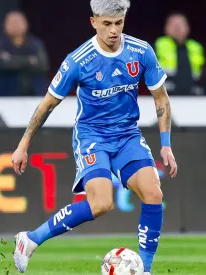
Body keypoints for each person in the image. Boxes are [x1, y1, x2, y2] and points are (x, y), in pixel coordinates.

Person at [10, 0, 177, 274]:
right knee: (101, 204)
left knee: (153, 193)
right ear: (93, 22)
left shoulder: (141, 51)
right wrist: (23, 145)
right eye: (107, 24)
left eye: (119, 23)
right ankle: (30, 240)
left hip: (127, 135)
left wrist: (166, 145)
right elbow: (47, 104)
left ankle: (145, 270)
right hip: (92, 137)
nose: (114, 30)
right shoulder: (78, 60)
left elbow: (161, 97)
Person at [0, 10, 49, 96]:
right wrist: (29, 61)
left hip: (35, 94)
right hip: (6, 95)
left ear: (26, 24)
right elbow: (2, 65)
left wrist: (12, 59)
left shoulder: (36, 44)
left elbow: (43, 65)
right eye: (12, 22)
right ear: (4, 25)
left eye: (18, 22)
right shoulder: (0, 45)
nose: (15, 25)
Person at [154, 12, 205, 95]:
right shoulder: (157, 45)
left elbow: (205, 76)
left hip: (193, 97)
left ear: (187, 28)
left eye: (180, 25)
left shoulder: (197, 47)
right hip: (166, 96)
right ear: (166, 28)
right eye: (173, 25)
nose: (177, 28)